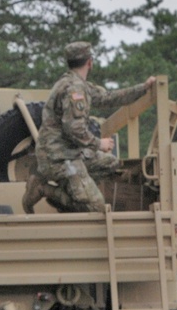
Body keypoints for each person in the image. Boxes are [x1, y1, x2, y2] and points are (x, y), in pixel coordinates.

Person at [23, 41, 156, 214]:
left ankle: (75, 190)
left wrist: (143, 88)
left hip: (67, 153)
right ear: (89, 62)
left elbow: (108, 98)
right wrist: (99, 144)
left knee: (110, 164)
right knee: (96, 207)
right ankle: (43, 189)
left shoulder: (76, 84)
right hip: (59, 159)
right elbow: (74, 129)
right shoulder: (75, 89)